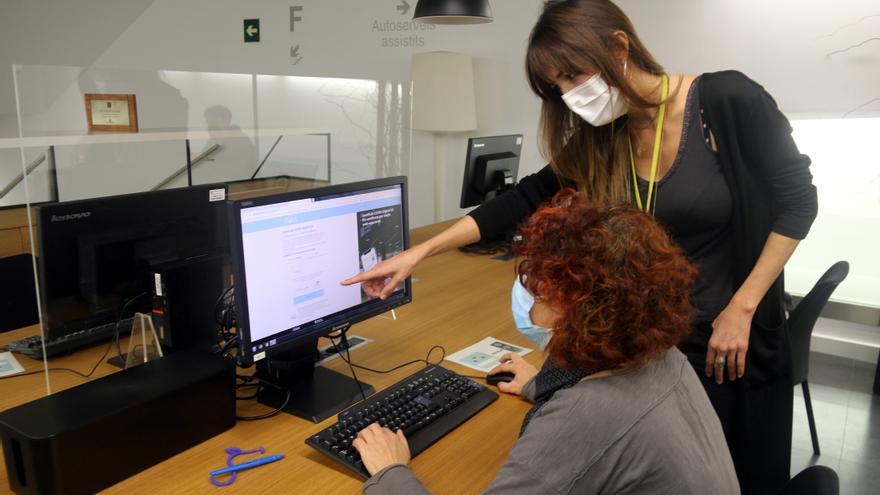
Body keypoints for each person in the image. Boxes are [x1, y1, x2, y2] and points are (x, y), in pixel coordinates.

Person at [344, 1, 817, 492]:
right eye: (557, 87)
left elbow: (799, 202)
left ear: (618, 45)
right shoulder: (603, 137)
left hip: (727, 340)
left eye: (573, 75)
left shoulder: (725, 101)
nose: (570, 95)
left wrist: (743, 307)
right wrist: (420, 251)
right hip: (650, 342)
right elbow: (524, 197)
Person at [353, 192, 739, 494]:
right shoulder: (662, 355)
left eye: (540, 289)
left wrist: (390, 472)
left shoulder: (585, 418)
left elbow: (596, 425)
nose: (529, 296)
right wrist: (543, 384)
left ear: (578, 308)